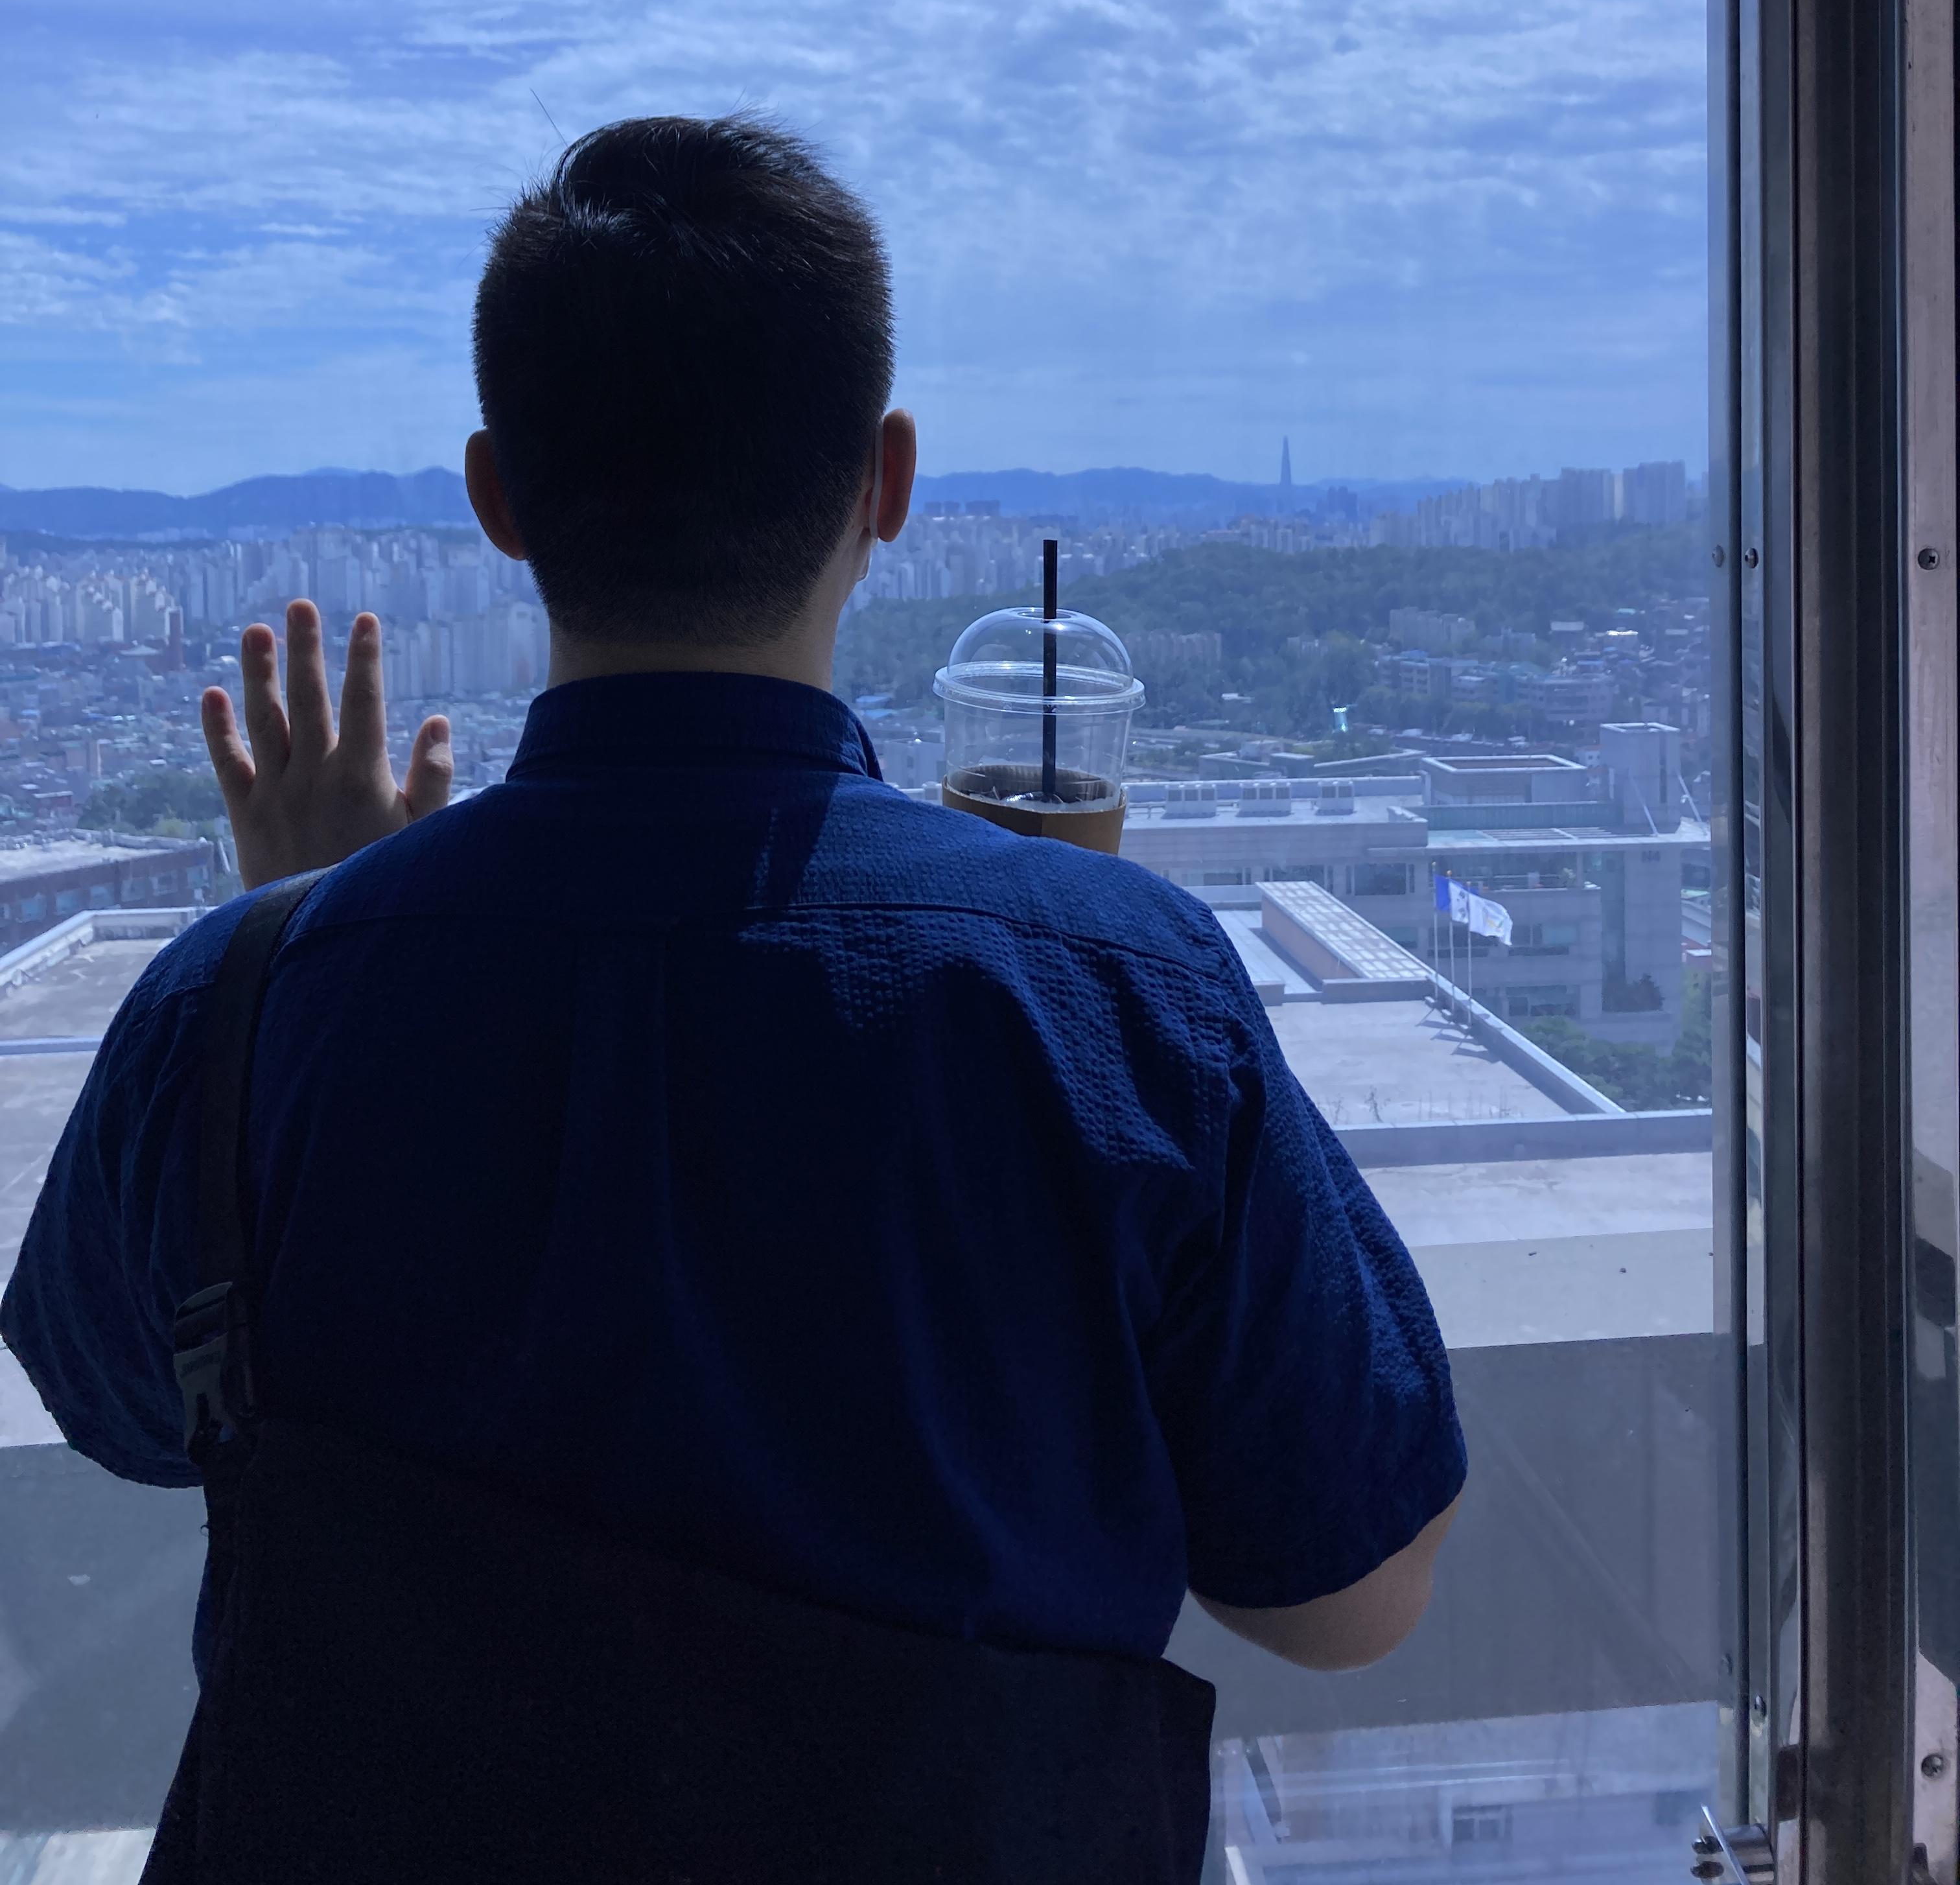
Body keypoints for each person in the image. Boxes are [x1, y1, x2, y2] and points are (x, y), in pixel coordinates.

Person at [1, 115, 1464, 1870]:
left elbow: (123, 1409)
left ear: (496, 499)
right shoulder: (1122, 996)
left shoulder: (238, 1005)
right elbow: (1351, 1593)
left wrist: (306, 933)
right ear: (887, 486)